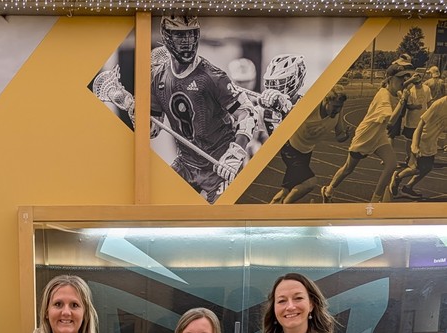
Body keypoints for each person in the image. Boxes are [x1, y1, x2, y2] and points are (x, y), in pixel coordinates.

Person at [150, 15, 258, 203]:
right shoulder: (158, 77)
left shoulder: (213, 76)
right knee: (157, 206)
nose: (187, 42)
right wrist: (129, 105)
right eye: (180, 36)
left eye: (191, 35)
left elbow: (248, 114)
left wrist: (235, 153)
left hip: (219, 166)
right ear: (167, 37)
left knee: (222, 218)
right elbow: (152, 130)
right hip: (186, 164)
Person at [321, 69, 411, 203]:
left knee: (391, 164)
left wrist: (408, 85)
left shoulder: (393, 93)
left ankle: (375, 200)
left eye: (404, 78)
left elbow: (400, 91)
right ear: (390, 79)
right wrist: (403, 99)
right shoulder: (384, 96)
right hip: (366, 136)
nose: (403, 81)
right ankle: (328, 191)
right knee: (348, 169)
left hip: (379, 135)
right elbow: (391, 122)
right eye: (400, 78)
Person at [270, 90, 351, 204]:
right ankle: (284, 209)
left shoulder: (337, 112)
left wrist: (346, 135)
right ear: (326, 101)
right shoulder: (310, 107)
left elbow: (339, 136)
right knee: (310, 183)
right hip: (290, 147)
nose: (337, 110)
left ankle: (271, 209)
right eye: (335, 106)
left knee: (287, 190)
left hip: (306, 152)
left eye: (340, 107)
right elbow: (285, 119)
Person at [389, 95, 447, 199]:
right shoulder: (439, 104)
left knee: (427, 168)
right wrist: (415, 145)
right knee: (415, 168)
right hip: (422, 139)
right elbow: (421, 124)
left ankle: (407, 188)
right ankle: (397, 176)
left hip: (432, 142)